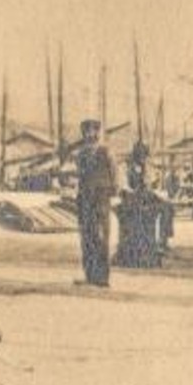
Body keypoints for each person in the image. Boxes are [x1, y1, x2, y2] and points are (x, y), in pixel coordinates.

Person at [73, 119, 118, 286]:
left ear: (98, 133)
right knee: (86, 236)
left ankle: (102, 277)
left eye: (93, 131)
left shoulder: (106, 152)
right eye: (86, 132)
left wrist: (113, 189)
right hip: (85, 197)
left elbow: (115, 173)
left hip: (101, 198)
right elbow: (79, 175)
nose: (89, 135)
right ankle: (89, 275)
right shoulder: (81, 154)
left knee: (101, 236)